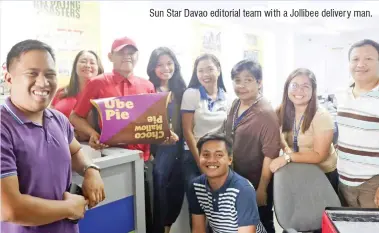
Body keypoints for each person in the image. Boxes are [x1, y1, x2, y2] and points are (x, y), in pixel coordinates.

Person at [1, 39, 105, 233]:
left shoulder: (57, 119)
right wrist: (70, 208)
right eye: (32, 73)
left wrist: (91, 170)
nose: (43, 82)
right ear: (9, 78)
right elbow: (9, 208)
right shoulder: (3, 127)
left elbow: (75, 151)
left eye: (50, 74)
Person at [216, 60, 280, 233]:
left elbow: (270, 154)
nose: (241, 85)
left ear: (259, 83)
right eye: (237, 80)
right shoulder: (236, 103)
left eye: (248, 80)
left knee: (262, 223)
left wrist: (262, 189)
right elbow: (227, 130)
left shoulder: (265, 113)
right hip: (236, 179)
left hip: (256, 182)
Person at [69, 36, 155, 160]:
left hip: (143, 157)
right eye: (121, 53)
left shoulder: (148, 86)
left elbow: (154, 121)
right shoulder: (97, 83)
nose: (127, 56)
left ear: (138, 56)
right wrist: (93, 133)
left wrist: (164, 134)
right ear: (110, 56)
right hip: (111, 156)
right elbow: (75, 117)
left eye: (131, 53)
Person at [270, 68, 339, 193]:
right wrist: (286, 150)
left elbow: (319, 156)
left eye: (305, 86)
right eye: (294, 85)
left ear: (313, 91)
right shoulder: (281, 110)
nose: (299, 90)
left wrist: (287, 157)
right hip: (298, 170)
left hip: (323, 175)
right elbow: (278, 137)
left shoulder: (321, 116)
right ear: (287, 88)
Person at [187, 133, 267, 233]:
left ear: (230, 159)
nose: (211, 160)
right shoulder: (196, 187)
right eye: (206, 155)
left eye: (219, 155)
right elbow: (198, 230)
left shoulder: (243, 190)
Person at [335, 39, 379, 208]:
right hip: (344, 181)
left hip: (372, 184)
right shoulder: (342, 93)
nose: (360, 64)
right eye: (355, 59)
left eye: (368, 59)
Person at [147, 47, 186, 233]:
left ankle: (168, 226)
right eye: (160, 64)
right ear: (152, 68)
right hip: (160, 148)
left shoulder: (181, 89)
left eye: (169, 63)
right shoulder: (149, 89)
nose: (165, 68)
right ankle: (160, 228)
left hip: (181, 146)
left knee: (177, 186)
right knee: (160, 181)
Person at [181, 54, 230, 189]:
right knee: (197, 197)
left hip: (217, 155)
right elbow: (187, 131)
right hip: (193, 154)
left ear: (218, 70)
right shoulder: (191, 94)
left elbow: (227, 132)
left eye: (209, 69)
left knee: (218, 198)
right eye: (200, 71)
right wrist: (201, 161)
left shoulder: (227, 97)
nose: (205, 74)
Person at [51, 50, 104, 141]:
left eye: (92, 62)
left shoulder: (103, 96)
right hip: (55, 141)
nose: (87, 65)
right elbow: (48, 117)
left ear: (98, 68)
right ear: (75, 66)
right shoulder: (62, 91)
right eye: (83, 61)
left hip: (87, 147)